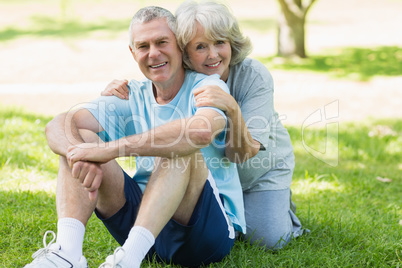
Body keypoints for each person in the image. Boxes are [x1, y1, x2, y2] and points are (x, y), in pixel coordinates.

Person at [24, 6, 246, 268]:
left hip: (201, 233)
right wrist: (79, 154)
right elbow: (58, 124)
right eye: (143, 46)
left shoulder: (207, 86)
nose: (153, 53)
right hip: (141, 227)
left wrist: (110, 150)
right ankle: (67, 254)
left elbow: (200, 131)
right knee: (79, 137)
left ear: (179, 46)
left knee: (180, 149)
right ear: (133, 52)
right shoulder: (131, 94)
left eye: (162, 42)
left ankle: (127, 261)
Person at [103, 0, 307, 250]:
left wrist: (232, 109)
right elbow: (154, 84)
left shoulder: (253, 75)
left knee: (269, 241)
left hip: (258, 171)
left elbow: (243, 154)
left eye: (220, 42)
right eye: (201, 46)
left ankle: (281, 204)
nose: (213, 55)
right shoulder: (182, 77)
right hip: (211, 176)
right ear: (184, 52)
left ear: (232, 42)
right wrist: (119, 90)